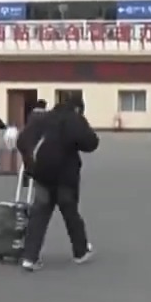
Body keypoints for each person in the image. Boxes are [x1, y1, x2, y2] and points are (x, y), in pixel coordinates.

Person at [16, 95, 98, 272]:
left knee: (39, 214)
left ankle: (30, 257)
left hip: (41, 174)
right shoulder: (73, 119)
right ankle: (80, 252)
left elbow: (22, 141)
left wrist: (30, 164)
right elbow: (91, 143)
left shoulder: (41, 118)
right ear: (78, 108)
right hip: (65, 175)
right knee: (71, 213)